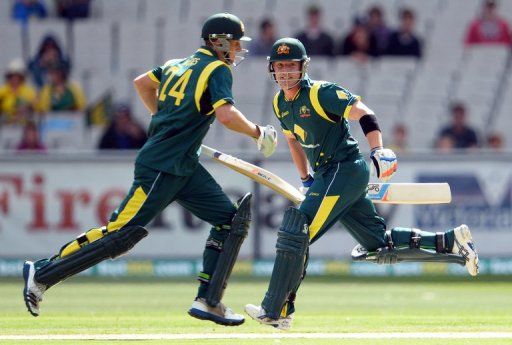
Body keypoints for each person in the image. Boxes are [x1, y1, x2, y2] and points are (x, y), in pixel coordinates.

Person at [22, 13, 278, 326]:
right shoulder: (217, 69)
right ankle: (43, 272)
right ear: (219, 41)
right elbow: (225, 116)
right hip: (163, 165)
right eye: (235, 43)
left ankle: (209, 300)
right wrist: (257, 132)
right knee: (121, 234)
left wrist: (165, 119)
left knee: (230, 221)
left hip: (181, 162)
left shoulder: (174, 64)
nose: (238, 50)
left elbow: (142, 83)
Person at [244, 38, 479, 330]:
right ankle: (451, 241)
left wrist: (378, 149)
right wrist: (305, 179)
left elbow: (364, 113)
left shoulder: (321, 93)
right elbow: (294, 142)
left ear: (303, 67)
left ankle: (276, 308)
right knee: (377, 244)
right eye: (280, 66)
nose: (285, 72)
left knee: (297, 228)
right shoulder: (280, 102)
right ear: (272, 69)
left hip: (344, 169)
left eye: (291, 66)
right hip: (329, 176)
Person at [0, 59, 38, 125]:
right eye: (12, 76)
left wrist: (28, 107)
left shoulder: (29, 92)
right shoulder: (2, 91)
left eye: (17, 76)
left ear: (22, 77)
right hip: (5, 125)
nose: (14, 78)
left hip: (24, 125)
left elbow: (36, 107)